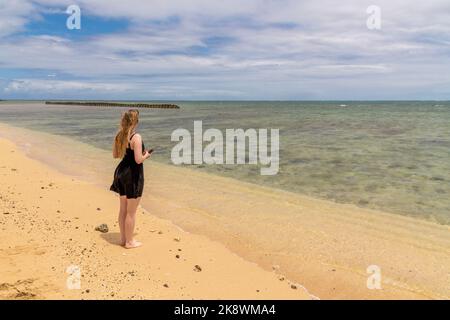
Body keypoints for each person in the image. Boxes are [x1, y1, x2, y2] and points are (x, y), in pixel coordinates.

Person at [110, 109, 151, 249]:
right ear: (136, 122)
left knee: (123, 209)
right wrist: (146, 155)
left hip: (120, 173)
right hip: (132, 176)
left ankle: (123, 239)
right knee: (131, 212)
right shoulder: (136, 137)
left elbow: (115, 155)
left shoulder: (119, 135)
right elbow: (138, 160)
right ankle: (129, 242)